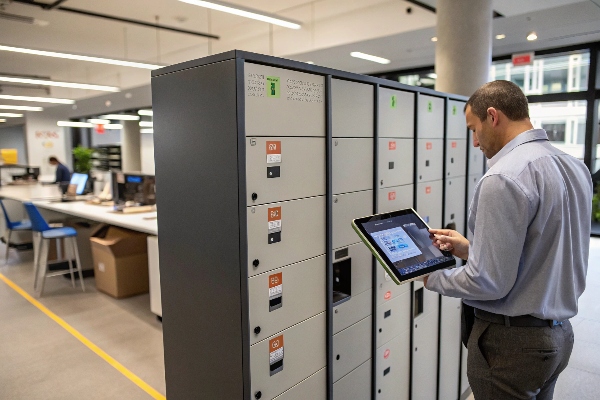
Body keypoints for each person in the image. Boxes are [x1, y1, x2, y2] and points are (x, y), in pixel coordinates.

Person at [424, 80, 592, 399]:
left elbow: (489, 282)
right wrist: (471, 248)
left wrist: (431, 276)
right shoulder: (574, 167)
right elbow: (544, 251)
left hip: (511, 346)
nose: (474, 142)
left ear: (493, 116)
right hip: (557, 338)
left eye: (474, 129)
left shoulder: (503, 177)